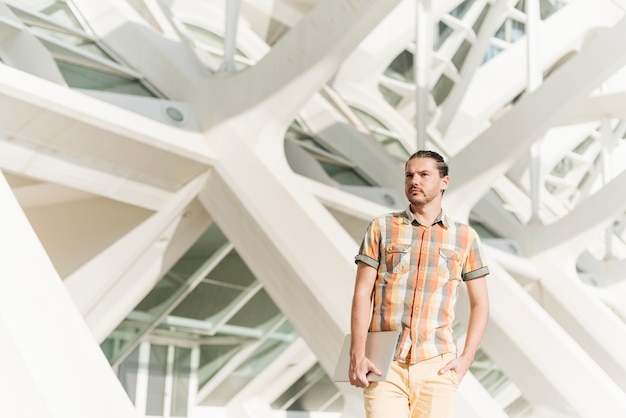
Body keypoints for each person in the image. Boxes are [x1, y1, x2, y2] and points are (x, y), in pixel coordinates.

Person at [349, 150, 490, 418]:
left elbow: (480, 303)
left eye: (424, 175)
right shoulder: (382, 227)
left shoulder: (465, 237)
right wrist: (357, 353)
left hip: (438, 363)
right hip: (384, 362)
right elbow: (361, 293)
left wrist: (466, 358)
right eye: (409, 175)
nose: (415, 180)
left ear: (444, 182)